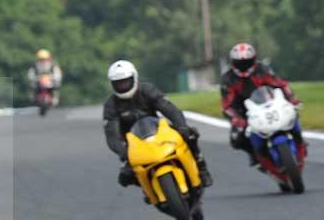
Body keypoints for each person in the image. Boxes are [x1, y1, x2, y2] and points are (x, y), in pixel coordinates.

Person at [103, 60, 213, 188]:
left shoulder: (147, 90)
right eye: (119, 83)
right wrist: (123, 152)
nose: (123, 86)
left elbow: (169, 108)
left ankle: (202, 169)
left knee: (190, 134)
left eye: (125, 81)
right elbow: (111, 134)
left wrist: (181, 126)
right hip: (133, 144)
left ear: (134, 78)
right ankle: (148, 189)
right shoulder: (111, 105)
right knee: (125, 177)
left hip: (158, 131)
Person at [220, 43, 303, 165]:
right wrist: (237, 119)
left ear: (253, 59)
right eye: (240, 63)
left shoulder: (262, 69)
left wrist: (292, 99)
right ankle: (255, 155)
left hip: (269, 101)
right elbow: (227, 105)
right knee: (236, 139)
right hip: (244, 111)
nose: (243, 66)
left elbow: (281, 84)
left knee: (292, 114)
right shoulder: (228, 78)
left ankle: (300, 141)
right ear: (233, 62)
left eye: (247, 62)